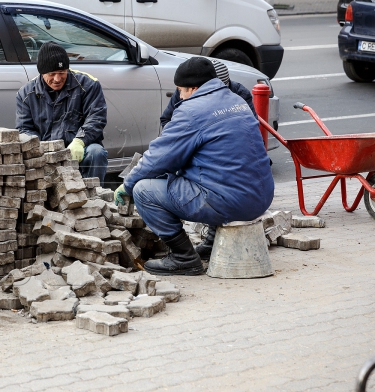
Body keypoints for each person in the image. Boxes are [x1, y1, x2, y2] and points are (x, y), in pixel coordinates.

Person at [114, 57, 274, 276]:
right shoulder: (236, 100)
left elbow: (159, 157)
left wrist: (128, 184)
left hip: (232, 202)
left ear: (195, 88)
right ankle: (211, 243)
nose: (179, 96)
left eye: (181, 90)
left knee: (144, 190)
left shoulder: (191, 111)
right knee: (207, 170)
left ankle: (184, 258)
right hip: (261, 196)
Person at [159, 58, 257, 261]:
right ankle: (205, 241)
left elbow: (246, 131)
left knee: (215, 181)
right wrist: (179, 137)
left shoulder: (238, 95)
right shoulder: (184, 92)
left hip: (226, 158)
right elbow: (166, 120)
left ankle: (188, 255)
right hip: (192, 147)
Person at [16, 42, 109, 184]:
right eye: (52, 74)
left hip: (81, 148)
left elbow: (97, 118)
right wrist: (40, 148)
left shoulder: (88, 85)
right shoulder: (26, 93)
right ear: (41, 73)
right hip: (45, 152)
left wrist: (80, 141)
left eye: (62, 72)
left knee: (96, 152)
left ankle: (94, 197)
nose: (57, 79)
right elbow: (24, 128)